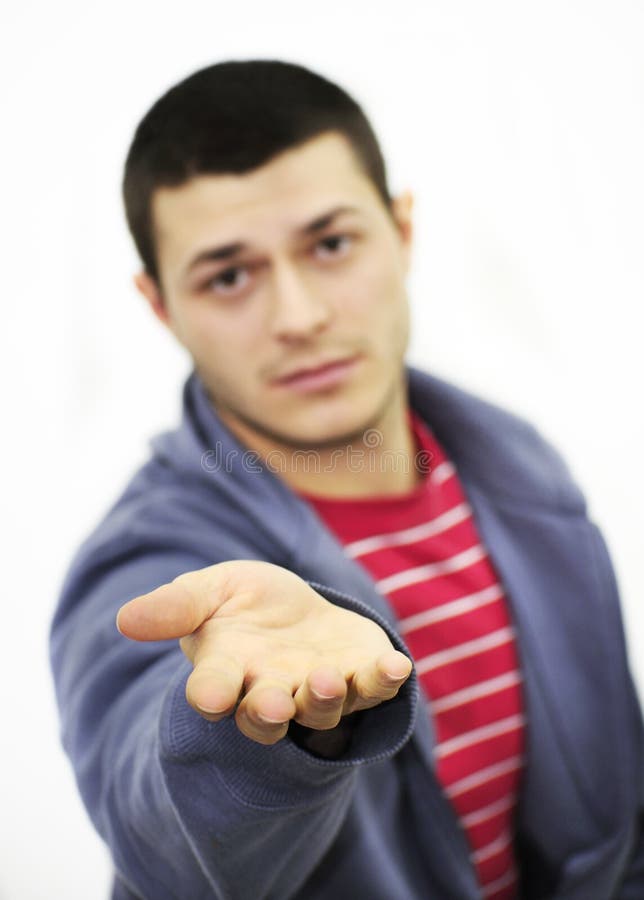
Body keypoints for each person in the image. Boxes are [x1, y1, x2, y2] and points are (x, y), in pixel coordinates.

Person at [49, 59, 644, 900]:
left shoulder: (519, 471)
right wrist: (246, 731)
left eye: (330, 245)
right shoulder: (156, 564)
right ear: (160, 307)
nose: (299, 317)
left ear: (402, 233)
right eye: (228, 276)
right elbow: (161, 831)